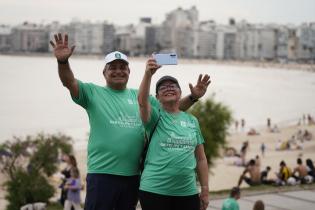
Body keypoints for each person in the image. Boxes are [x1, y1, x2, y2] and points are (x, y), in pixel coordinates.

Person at [49, 33, 210, 210]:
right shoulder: (92, 92)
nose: (118, 71)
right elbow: (69, 82)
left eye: (122, 67)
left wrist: (193, 97)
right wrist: (63, 62)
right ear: (104, 73)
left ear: (129, 71)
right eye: (113, 67)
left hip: (133, 177)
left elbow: (172, 109)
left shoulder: (139, 96)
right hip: (102, 174)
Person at [137, 57, 210, 210]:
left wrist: (204, 189)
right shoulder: (155, 116)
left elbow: (201, 159)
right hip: (154, 190)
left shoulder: (192, 120)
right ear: (157, 97)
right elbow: (142, 101)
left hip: (187, 192)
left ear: (180, 92)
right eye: (162, 88)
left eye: (173, 86)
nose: (168, 88)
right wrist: (148, 74)